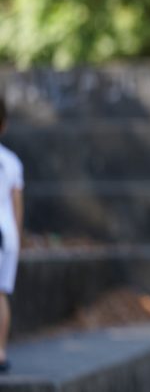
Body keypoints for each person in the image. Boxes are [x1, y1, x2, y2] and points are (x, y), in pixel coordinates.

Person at [0, 97, 23, 373]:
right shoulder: (12, 161)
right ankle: (1, 351)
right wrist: (18, 239)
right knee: (2, 293)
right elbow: (18, 206)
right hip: (8, 235)